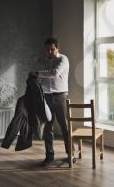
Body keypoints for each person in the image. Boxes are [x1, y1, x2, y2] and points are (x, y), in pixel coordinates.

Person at [35, 37, 70, 167]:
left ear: (57, 48)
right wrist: (37, 77)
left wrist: (38, 73)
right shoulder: (42, 62)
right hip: (46, 97)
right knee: (48, 128)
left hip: (60, 96)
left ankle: (70, 154)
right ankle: (49, 156)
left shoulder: (63, 59)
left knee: (64, 127)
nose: (49, 52)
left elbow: (54, 73)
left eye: (52, 49)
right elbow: (40, 79)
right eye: (47, 49)